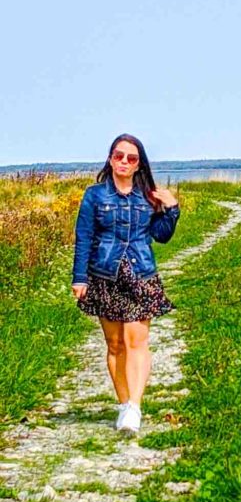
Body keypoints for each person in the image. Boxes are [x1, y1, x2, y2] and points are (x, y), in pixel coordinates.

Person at [71, 134, 181, 433]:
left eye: (131, 158)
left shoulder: (148, 195)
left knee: (137, 342)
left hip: (141, 275)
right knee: (115, 344)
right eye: (119, 156)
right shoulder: (94, 196)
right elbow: (84, 238)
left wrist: (171, 209)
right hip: (104, 276)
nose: (124, 162)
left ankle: (135, 406)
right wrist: (79, 278)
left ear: (138, 164)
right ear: (110, 158)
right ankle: (123, 405)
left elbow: (161, 235)